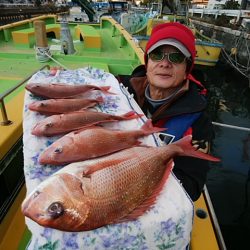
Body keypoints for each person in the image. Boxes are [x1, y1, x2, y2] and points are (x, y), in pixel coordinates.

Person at [118, 22, 214, 201]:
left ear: (187, 69)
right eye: (156, 54)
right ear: (147, 63)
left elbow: (191, 186)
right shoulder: (121, 92)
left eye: (176, 57)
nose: (164, 63)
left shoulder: (199, 123)